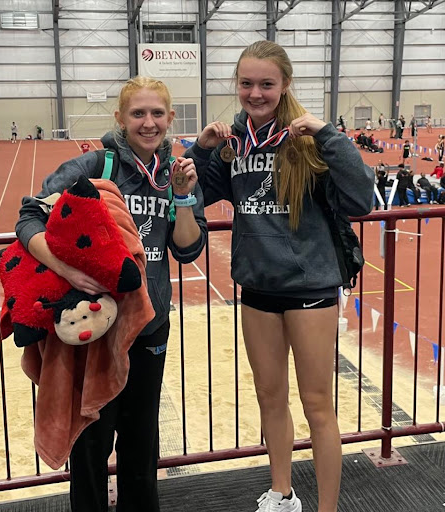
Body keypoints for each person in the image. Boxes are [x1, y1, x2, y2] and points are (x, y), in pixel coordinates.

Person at [184, 40, 374, 512]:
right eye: (246, 84)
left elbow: (361, 201)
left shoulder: (306, 139)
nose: (255, 93)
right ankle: (282, 493)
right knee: (270, 396)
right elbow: (195, 193)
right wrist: (202, 151)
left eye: (266, 84)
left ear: (284, 84)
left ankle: (326, 508)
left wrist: (330, 134)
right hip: (257, 288)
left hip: (309, 288)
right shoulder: (235, 143)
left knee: (317, 405)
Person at [15, 76, 207, 512]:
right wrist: (66, 269)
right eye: (138, 113)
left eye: (157, 113)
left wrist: (181, 198)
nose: (148, 122)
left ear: (171, 119)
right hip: (95, 335)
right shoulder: (95, 167)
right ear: (120, 118)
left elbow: (187, 248)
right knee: (91, 448)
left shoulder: (175, 173)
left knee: (142, 450)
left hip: (149, 330)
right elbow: (28, 217)